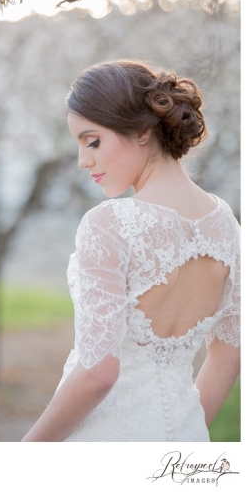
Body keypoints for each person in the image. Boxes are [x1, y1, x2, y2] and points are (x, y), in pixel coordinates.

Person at [22, 60, 240, 442]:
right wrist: (181, 433)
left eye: (92, 140)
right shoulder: (228, 226)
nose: (82, 159)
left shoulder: (110, 224)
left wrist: (27, 451)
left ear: (141, 131)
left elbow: (98, 373)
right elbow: (229, 354)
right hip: (186, 439)